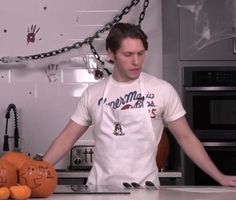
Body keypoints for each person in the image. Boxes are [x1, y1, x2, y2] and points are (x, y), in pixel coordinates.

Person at [43, 22, 236, 187]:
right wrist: (35, 171)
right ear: (111, 54)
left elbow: (186, 138)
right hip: (99, 191)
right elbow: (67, 137)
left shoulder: (162, 90)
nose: (136, 62)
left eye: (141, 54)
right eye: (128, 54)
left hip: (145, 190)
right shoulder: (93, 94)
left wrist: (219, 177)